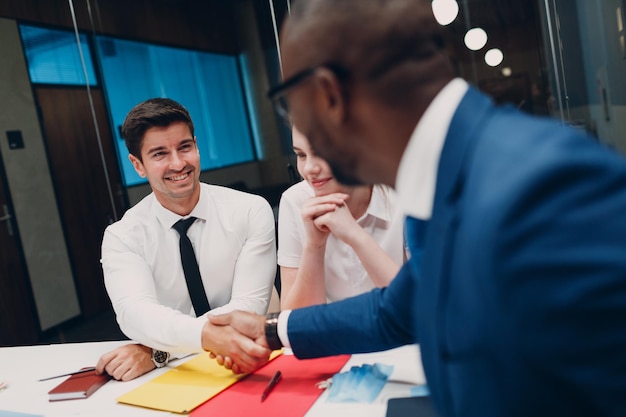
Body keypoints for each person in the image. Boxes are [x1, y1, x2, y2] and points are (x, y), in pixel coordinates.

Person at [207, 1, 626, 416]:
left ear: (330, 95)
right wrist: (271, 330)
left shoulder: (544, 183)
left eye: (291, 104)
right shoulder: (443, 176)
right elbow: (398, 309)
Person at [96, 98, 275, 381]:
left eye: (184, 147)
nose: (178, 163)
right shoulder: (123, 236)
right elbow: (136, 314)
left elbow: (248, 306)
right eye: (159, 154)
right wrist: (203, 336)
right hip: (181, 377)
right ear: (138, 165)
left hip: (248, 361)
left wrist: (161, 352)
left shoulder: (250, 210)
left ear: (196, 146)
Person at [278, 125, 404, 309]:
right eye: (301, 155)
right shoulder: (295, 201)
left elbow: (419, 307)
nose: (310, 169)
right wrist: (314, 246)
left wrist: (355, 236)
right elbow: (293, 319)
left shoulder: (402, 196)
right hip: (333, 335)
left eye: (322, 153)